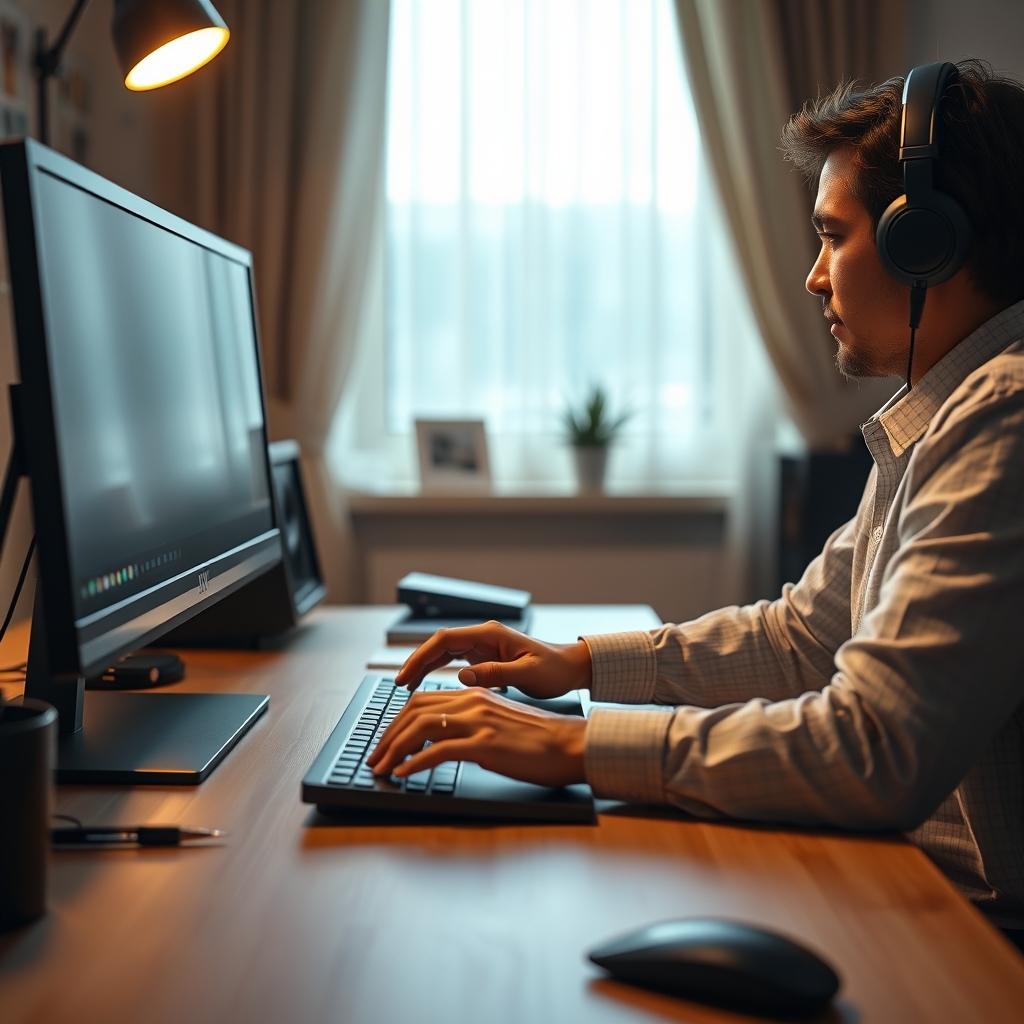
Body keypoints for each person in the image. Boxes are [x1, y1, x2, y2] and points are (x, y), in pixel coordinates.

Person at [368, 61, 1024, 938]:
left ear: (925, 243)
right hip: (917, 884)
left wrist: (574, 746)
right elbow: (806, 637)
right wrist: (580, 664)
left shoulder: (1004, 415)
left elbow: (876, 748)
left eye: (833, 235)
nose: (813, 278)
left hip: (981, 935)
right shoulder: (941, 411)